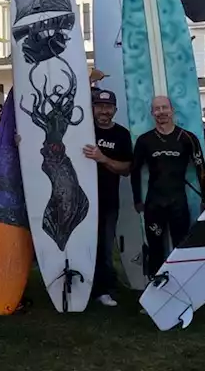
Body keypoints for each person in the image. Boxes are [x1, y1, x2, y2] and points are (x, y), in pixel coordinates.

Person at [132, 95, 205, 280]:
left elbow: (201, 169)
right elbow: (134, 171)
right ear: (152, 113)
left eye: (165, 108)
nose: (161, 112)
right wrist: (137, 200)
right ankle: (156, 292)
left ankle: (183, 287)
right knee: (155, 248)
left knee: (181, 247)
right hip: (154, 203)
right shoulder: (144, 140)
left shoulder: (188, 138)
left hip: (178, 203)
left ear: (172, 110)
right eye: (157, 109)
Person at [81, 89, 133, 307]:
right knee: (81, 243)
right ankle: (81, 286)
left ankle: (103, 290)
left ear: (114, 109)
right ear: (92, 108)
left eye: (108, 107)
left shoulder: (121, 134)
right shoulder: (82, 130)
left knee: (104, 246)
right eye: (100, 106)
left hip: (108, 200)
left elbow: (126, 168)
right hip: (80, 200)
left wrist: (103, 158)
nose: (104, 111)